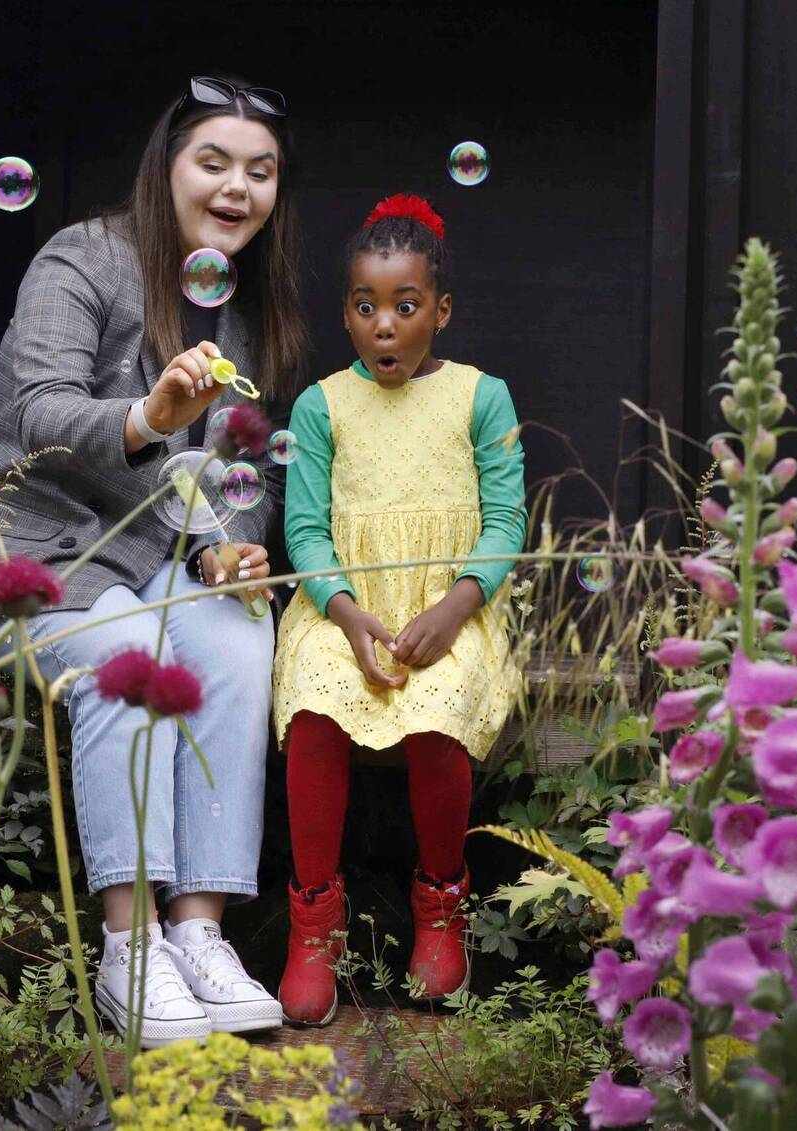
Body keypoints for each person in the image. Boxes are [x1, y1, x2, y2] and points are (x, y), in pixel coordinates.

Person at [0, 76, 306, 1047]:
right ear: (167, 167)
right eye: (213, 162)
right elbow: (36, 412)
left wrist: (232, 543)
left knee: (235, 639)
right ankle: (129, 947)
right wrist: (148, 417)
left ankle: (198, 931)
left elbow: (244, 464)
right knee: (130, 656)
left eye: (260, 171)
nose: (236, 188)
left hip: (148, 551)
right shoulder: (83, 258)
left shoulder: (247, 308)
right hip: (29, 549)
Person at [271, 193, 526, 1025]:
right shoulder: (320, 406)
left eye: (406, 306)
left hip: (452, 605)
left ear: (440, 312)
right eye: (365, 306)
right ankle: (314, 920)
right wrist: (345, 613)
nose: (384, 325)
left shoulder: (482, 397)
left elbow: (506, 522)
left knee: (438, 710)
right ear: (346, 312)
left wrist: (456, 607)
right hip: (341, 607)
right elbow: (305, 530)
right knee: (314, 702)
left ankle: (441, 905)